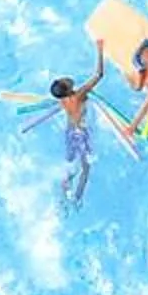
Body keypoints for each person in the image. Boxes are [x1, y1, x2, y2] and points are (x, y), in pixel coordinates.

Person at [46, 48, 108, 204]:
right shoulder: (78, 95)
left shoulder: (64, 100)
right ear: (67, 89)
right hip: (81, 132)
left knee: (72, 164)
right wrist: (100, 50)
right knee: (85, 168)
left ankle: (64, 192)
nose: (66, 78)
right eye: (64, 81)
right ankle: (77, 198)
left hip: (70, 132)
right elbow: (99, 75)